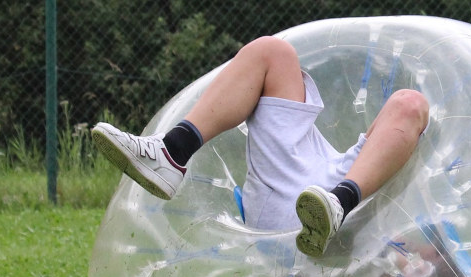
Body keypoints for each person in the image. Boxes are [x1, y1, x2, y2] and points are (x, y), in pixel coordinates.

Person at [92, 36, 429, 257]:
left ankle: (338, 206)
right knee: (274, 51)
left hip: (350, 206)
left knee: (411, 103)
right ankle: (172, 152)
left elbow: (448, 276)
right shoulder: (301, 144)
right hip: (287, 191)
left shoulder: (386, 156)